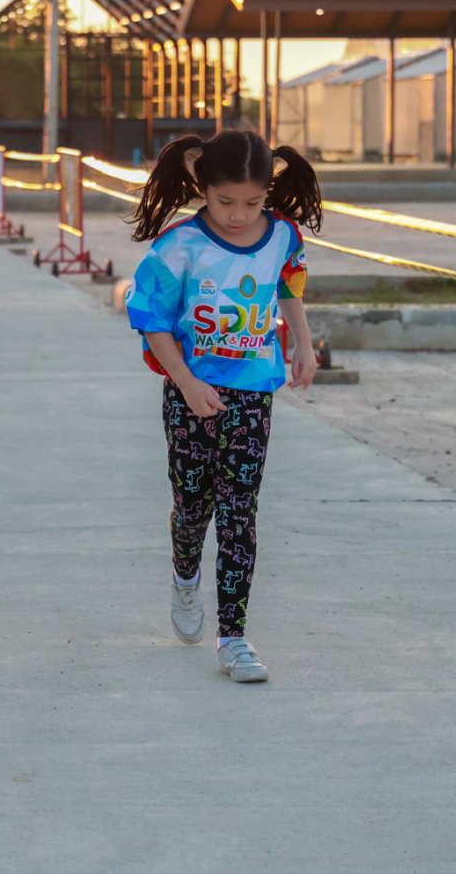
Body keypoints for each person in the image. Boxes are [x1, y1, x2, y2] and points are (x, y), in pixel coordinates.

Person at [123, 130, 322, 683]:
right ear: (201, 185)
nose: (238, 215)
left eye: (253, 202)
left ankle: (233, 638)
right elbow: (151, 318)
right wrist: (186, 382)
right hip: (191, 392)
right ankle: (185, 575)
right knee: (193, 507)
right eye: (225, 200)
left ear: (269, 190)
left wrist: (304, 345)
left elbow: (289, 287)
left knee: (239, 512)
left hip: (253, 392)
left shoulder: (283, 235)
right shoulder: (179, 245)